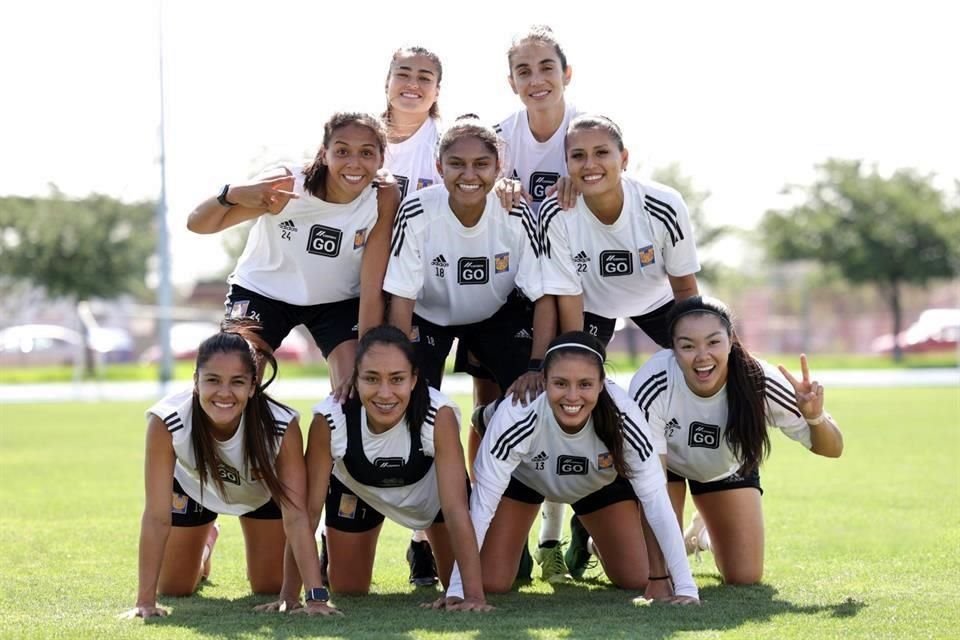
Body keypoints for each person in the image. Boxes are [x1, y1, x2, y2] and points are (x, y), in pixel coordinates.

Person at [538, 113, 701, 577]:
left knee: (714, 371)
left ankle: (705, 512)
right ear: (566, 164)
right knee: (576, 398)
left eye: (601, 153)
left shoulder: (662, 203)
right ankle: (565, 528)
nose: (590, 164)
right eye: (578, 156)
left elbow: (687, 290)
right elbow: (569, 305)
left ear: (624, 159)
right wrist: (580, 364)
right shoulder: (557, 212)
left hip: (658, 300)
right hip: (589, 306)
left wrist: (696, 351)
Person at [446, 332, 699, 605]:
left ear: (603, 384)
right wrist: (460, 591)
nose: (572, 396)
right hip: (528, 477)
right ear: (543, 382)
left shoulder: (624, 415)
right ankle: (487, 415)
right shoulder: (518, 413)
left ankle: (586, 539)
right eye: (560, 383)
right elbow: (482, 507)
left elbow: (657, 502)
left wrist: (686, 589)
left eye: (585, 384)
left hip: (597, 483)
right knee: (491, 581)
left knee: (636, 576)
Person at [123, 320, 336, 619]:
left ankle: (218, 543)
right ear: (196, 381)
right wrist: (144, 602)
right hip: (196, 488)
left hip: (260, 496)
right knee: (173, 587)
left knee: (268, 585)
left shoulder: (280, 425)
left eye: (237, 382)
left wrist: (311, 597)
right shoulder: (166, 421)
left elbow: (297, 516)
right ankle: (206, 542)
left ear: (252, 387)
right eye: (213, 380)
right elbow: (157, 517)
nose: (224, 392)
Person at [628, 296, 844, 588]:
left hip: (724, 469)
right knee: (636, 575)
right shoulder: (653, 382)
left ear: (731, 340)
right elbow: (651, 483)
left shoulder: (760, 381)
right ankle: (590, 541)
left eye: (713, 342)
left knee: (744, 576)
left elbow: (832, 449)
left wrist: (815, 417)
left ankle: (701, 535)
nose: (702, 356)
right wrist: (659, 577)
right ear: (673, 348)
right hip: (666, 468)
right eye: (688, 346)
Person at [186, 112, 400, 402]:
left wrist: (367, 355)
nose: (354, 162)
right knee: (236, 377)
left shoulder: (383, 194)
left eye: (366, 153)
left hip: (335, 302)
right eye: (342, 151)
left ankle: (333, 445)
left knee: (359, 387)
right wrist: (233, 193)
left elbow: (372, 284)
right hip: (263, 293)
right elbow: (198, 224)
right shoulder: (286, 185)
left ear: (381, 158)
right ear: (324, 154)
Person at [279, 325, 491, 611]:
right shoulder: (330, 419)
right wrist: (291, 597)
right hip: (361, 489)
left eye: (397, 379)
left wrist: (474, 597)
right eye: (371, 378)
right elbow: (308, 512)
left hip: (429, 499)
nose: (385, 392)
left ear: (415, 380)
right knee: (348, 587)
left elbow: (455, 508)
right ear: (354, 378)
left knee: (471, 579)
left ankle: (420, 545)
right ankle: (331, 547)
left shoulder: (438, 415)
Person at [384, 116, 553, 403]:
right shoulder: (416, 211)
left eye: (481, 164)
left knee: (532, 398)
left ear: (498, 167)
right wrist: (401, 366)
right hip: (427, 317)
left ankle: (488, 420)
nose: (469, 174)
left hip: (494, 313)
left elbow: (543, 295)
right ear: (440, 167)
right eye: (457, 164)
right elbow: (401, 297)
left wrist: (537, 366)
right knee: (411, 399)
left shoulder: (515, 212)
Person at [376, 44, 447, 588]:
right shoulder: (360, 142)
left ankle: (423, 540)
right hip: (359, 294)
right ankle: (340, 532)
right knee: (358, 405)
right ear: (387, 81)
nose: (414, 84)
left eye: (426, 77)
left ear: (437, 90)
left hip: (426, 298)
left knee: (420, 406)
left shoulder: (446, 146)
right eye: (405, 73)